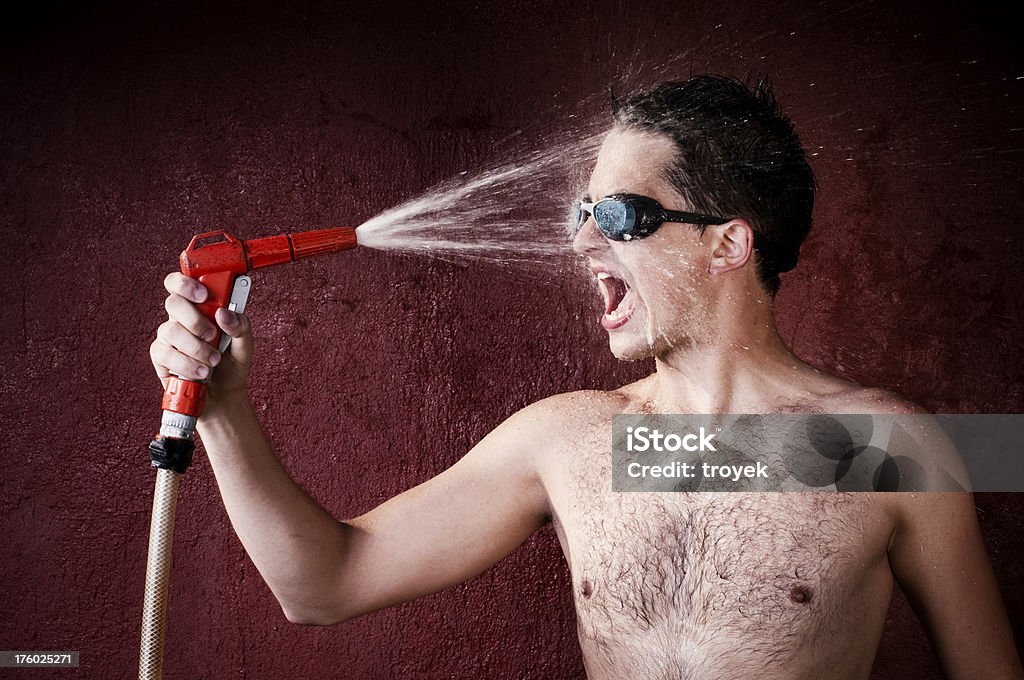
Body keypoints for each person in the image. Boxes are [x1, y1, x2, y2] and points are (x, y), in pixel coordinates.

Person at [149, 75, 1023, 679]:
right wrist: (224, 410)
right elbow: (323, 586)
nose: (579, 240)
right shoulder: (569, 442)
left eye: (619, 215)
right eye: (582, 211)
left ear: (728, 241)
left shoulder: (885, 451)